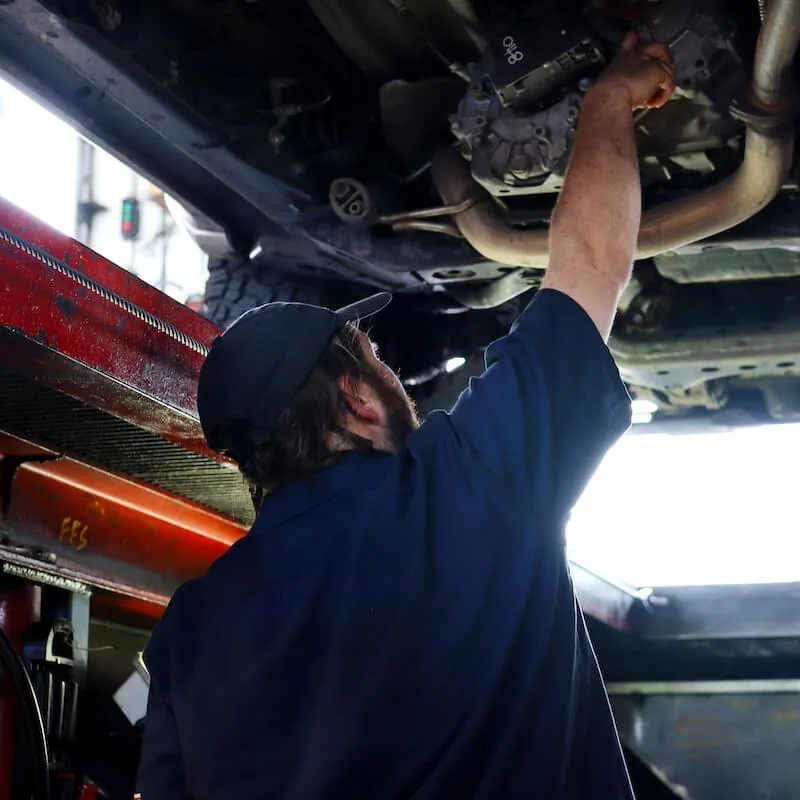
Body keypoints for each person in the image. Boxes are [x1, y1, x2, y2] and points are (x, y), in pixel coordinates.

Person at [137, 33, 675, 799]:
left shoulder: (191, 632)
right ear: (356, 398)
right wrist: (610, 98)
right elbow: (588, 260)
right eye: (376, 357)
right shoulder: (463, 487)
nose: (396, 375)